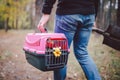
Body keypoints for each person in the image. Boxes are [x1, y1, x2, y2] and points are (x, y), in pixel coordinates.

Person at [37, 0, 101, 80]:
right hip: (89, 14)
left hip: (67, 12)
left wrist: (46, 13)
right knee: (82, 53)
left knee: (59, 53)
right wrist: (94, 15)